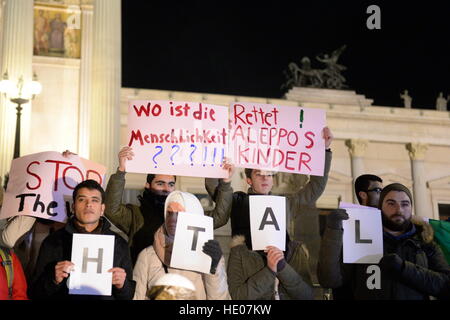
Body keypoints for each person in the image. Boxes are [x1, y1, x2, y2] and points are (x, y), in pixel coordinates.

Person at [206, 127, 334, 299]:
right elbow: (216, 191)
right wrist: (216, 154)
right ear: (249, 180)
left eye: (269, 174)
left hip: (283, 262)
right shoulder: (237, 200)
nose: (265, 178)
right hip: (248, 267)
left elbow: (314, 188)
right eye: (259, 174)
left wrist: (323, 150)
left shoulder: (285, 202)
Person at [317, 183, 450, 299]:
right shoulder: (360, 241)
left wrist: (404, 268)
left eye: (405, 204)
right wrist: (333, 231)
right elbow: (329, 280)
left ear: (411, 208)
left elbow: (445, 286)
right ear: (381, 207)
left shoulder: (426, 244)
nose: (399, 210)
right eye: (391, 203)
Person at [105, 146, 233, 265]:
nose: (166, 189)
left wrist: (225, 182)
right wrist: (121, 171)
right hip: (144, 276)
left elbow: (219, 218)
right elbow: (111, 209)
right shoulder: (135, 215)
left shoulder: (186, 213)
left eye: (171, 184)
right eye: (160, 184)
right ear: (148, 185)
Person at [29, 180, 136, 300]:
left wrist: (122, 285)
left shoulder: (119, 243)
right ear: (73, 207)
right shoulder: (53, 242)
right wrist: (53, 280)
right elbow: (35, 293)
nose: (88, 204)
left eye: (94, 200)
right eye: (82, 199)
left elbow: (128, 295)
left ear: (102, 209)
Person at [133, 191, 230, 300]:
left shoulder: (209, 254)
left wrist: (214, 269)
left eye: (179, 214)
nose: (172, 219)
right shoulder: (147, 256)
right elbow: (137, 296)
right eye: (169, 213)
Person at [330, 174, 383, 300]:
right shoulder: (346, 223)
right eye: (378, 190)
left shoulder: (386, 223)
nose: (383, 194)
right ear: (363, 195)